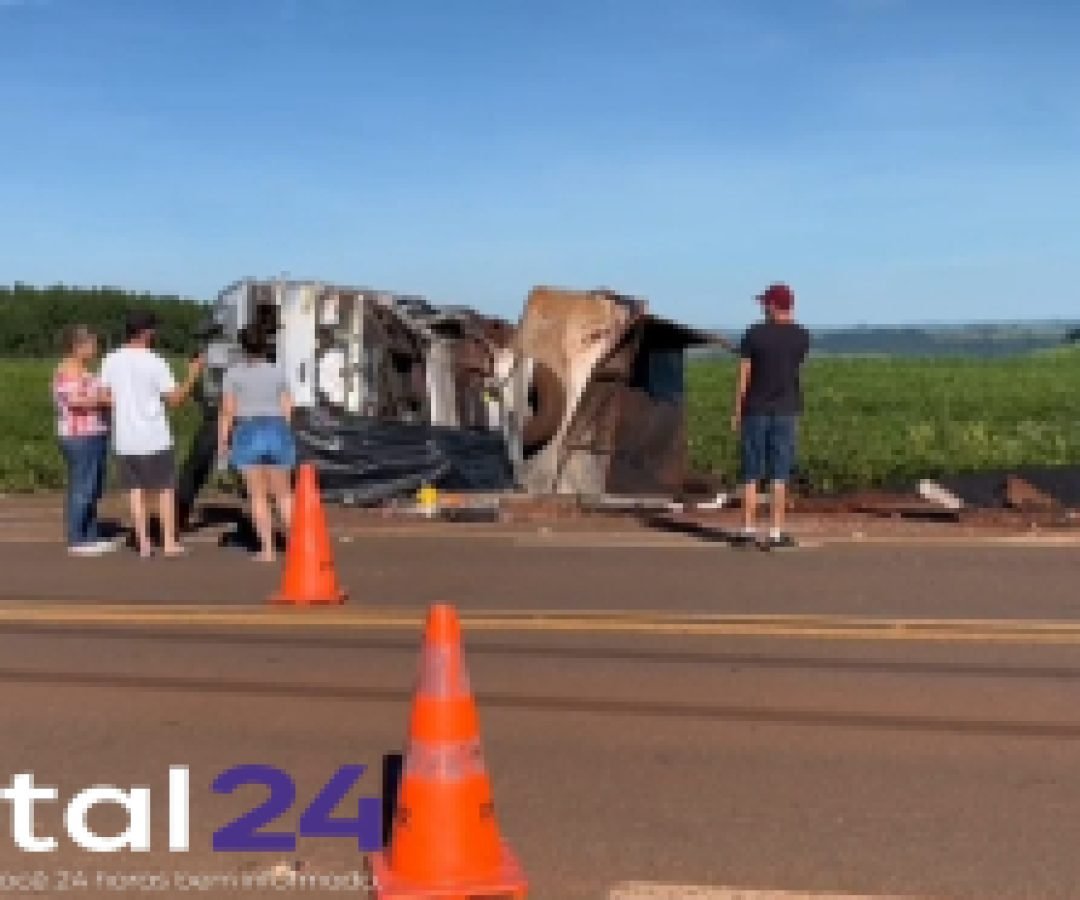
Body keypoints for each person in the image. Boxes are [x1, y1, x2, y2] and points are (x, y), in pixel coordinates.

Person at [100, 311, 204, 558]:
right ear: (146, 332)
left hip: (125, 437)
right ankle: (168, 542)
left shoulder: (110, 359)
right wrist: (192, 374)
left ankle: (143, 542)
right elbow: (175, 399)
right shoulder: (155, 361)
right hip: (154, 435)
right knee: (165, 490)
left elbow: (105, 396)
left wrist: (124, 406)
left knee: (135, 492)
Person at [731, 283, 810, 550]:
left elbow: (744, 375)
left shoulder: (754, 334)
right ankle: (775, 531)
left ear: (773, 305)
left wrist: (737, 410)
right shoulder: (802, 336)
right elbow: (796, 370)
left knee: (751, 472)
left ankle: (747, 529)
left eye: (765, 302)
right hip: (787, 409)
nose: (763, 306)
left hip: (755, 409)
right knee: (780, 474)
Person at [217, 325, 296, 562]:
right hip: (276, 427)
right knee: (283, 495)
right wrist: (285, 431)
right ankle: (296, 546)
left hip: (248, 429)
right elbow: (287, 407)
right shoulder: (277, 371)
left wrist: (223, 440)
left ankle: (268, 550)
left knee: (258, 496)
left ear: (243, 347)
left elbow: (228, 410)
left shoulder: (233, 374)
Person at [53, 325, 114, 556]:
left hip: (94, 433)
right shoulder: (68, 370)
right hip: (80, 435)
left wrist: (102, 399)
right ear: (78, 346)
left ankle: (90, 535)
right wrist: (103, 400)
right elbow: (78, 402)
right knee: (83, 487)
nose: (95, 349)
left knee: (92, 486)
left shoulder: (84, 370)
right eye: (92, 344)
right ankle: (77, 539)